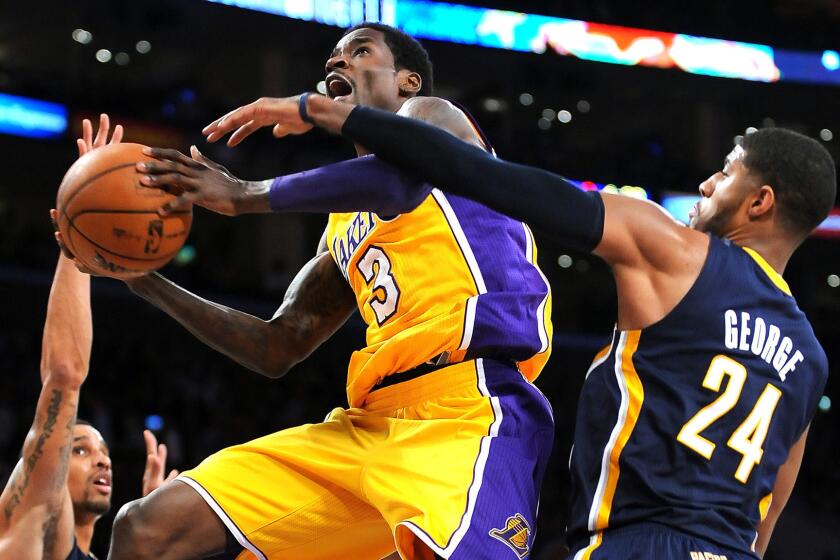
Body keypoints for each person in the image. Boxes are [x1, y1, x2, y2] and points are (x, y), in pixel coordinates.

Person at [194, 90, 836, 560]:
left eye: (725, 172)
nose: (706, 180)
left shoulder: (675, 251)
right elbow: (766, 519)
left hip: (639, 545)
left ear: (760, 202)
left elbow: (487, 178)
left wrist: (331, 115)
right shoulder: (810, 360)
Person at [106, 23, 554, 560]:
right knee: (147, 527)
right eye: (332, 58)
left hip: (470, 411)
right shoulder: (343, 225)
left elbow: (399, 181)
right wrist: (144, 281)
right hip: (369, 424)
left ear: (408, 80)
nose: (337, 64)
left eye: (359, 52)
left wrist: (246, 193)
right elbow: (278, 345)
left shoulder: (437, 117)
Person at [1, 115, 178, 560]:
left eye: (101, 451)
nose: (103, 460)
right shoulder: (30, 525)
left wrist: (149, 529)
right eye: (79, 450)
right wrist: (76, 244)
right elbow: (64, 374)